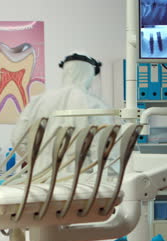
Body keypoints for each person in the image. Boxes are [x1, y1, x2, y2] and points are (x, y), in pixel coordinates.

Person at [10, 52, 114, 180]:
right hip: (79, 182)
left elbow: (18, 139)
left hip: (40, 179)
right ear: (89, 75)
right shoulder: (95, 105)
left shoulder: (38, 101)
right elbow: (102, 149)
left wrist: (40, 160)